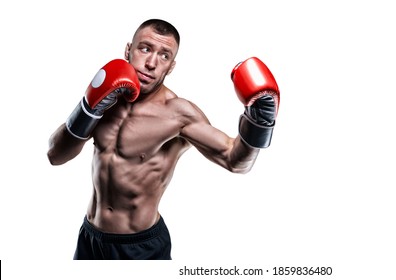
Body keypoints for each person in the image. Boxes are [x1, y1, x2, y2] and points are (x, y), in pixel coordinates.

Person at [46, 19, 280, 260]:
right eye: (145, 48)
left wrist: (259, 121)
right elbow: (55, 155)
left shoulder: (178, 114)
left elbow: (236, 161)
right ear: (128, 50)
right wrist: (89, 109)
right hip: (90, 238)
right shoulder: (107, 95)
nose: (151, 63)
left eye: (164, 56)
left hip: (140, 247)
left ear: (171, 67)